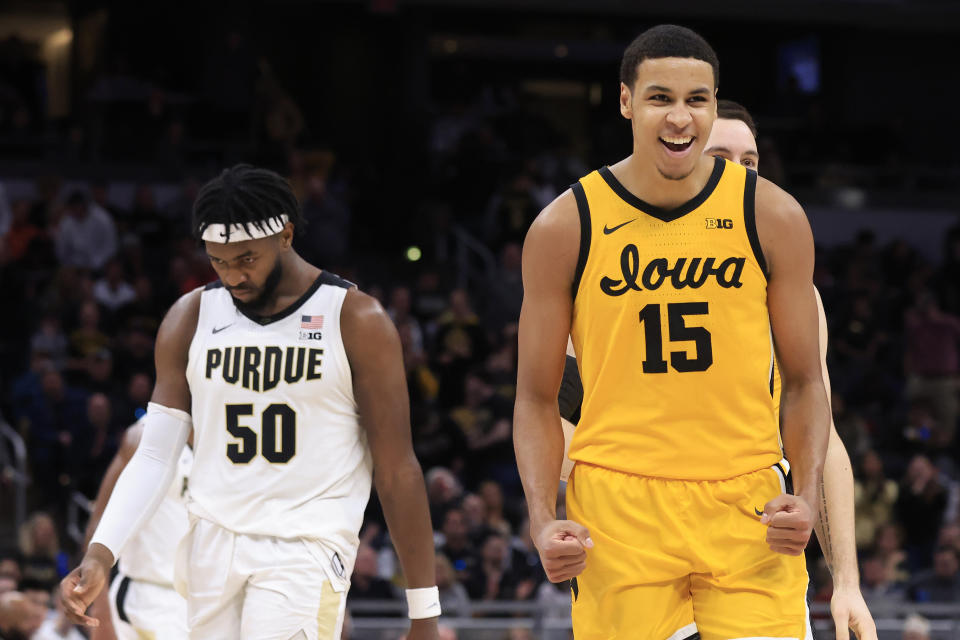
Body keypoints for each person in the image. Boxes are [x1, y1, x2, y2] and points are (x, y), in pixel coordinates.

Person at [515, 25, 830, 639]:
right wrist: (539, 518)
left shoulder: (773, 215)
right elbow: (533, 396)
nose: (680, 118)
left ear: (714, 104)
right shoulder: (566, 225)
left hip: (748, 503)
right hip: (617, 507)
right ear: (627, 101)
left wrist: (807, 494)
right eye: (660, 98)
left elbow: (804, 380)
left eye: (698, 100)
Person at [60, 164, 440, 640]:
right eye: (218, 261)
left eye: (246, 259)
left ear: (285, 233)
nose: (233, 275)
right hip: (210, 545)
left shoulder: (355, 319)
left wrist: (424, 611)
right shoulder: (191, 316)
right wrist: (100, 554)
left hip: (305, 549)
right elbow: (156, 454)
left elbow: (397, 467)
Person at [556, 98, 877, 639]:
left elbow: (823, 440)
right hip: (636, 528)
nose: (737, 172)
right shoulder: (605, 273)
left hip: (750, 530)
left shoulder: (792, 294)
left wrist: (846, 581)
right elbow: (562, 413)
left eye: (749, 161)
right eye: (720, 155)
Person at [81, 419, 193, 640]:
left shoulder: (220, 435)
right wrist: (100, 612)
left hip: (197, 596)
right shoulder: (144, 436)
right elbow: (99, 524)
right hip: (149, 597)